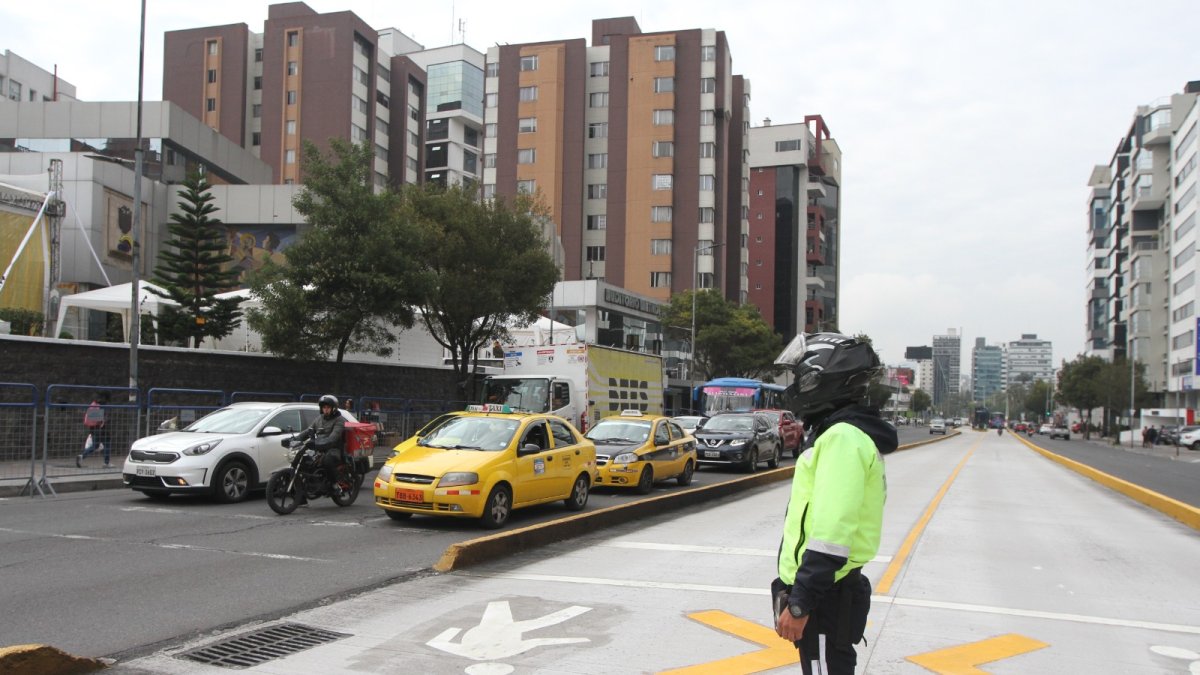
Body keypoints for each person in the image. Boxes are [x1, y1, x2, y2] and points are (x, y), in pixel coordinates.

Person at [772, 333, 898, 674]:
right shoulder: (838, 435)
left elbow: (832, 533)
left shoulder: (842, 439)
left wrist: (801, 603)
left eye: (801, 377)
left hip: (825, 597)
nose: (796, 386)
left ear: (820, 380)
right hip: (827, 591)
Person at [292, 394, 347, 501]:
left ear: (334, 408)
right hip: (319, 448)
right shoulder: (319, 419)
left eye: (328, 407)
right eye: (324, 407)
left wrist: (317, 444)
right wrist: (295, 439)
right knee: (303, 461)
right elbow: (308, 431)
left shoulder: (339, 420)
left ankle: (335, 485)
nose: (325, 409)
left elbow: (333, 438)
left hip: (334, 449)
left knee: (327, 461)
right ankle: (301, 494)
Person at [77, 392, 112, 468]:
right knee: (107, 444)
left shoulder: (94, 404)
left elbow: (92, 419)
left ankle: (82, 456)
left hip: (93, 428)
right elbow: (105, 418)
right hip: (102, 429)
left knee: (95, 445)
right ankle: (106, 463)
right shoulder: (104, 405)